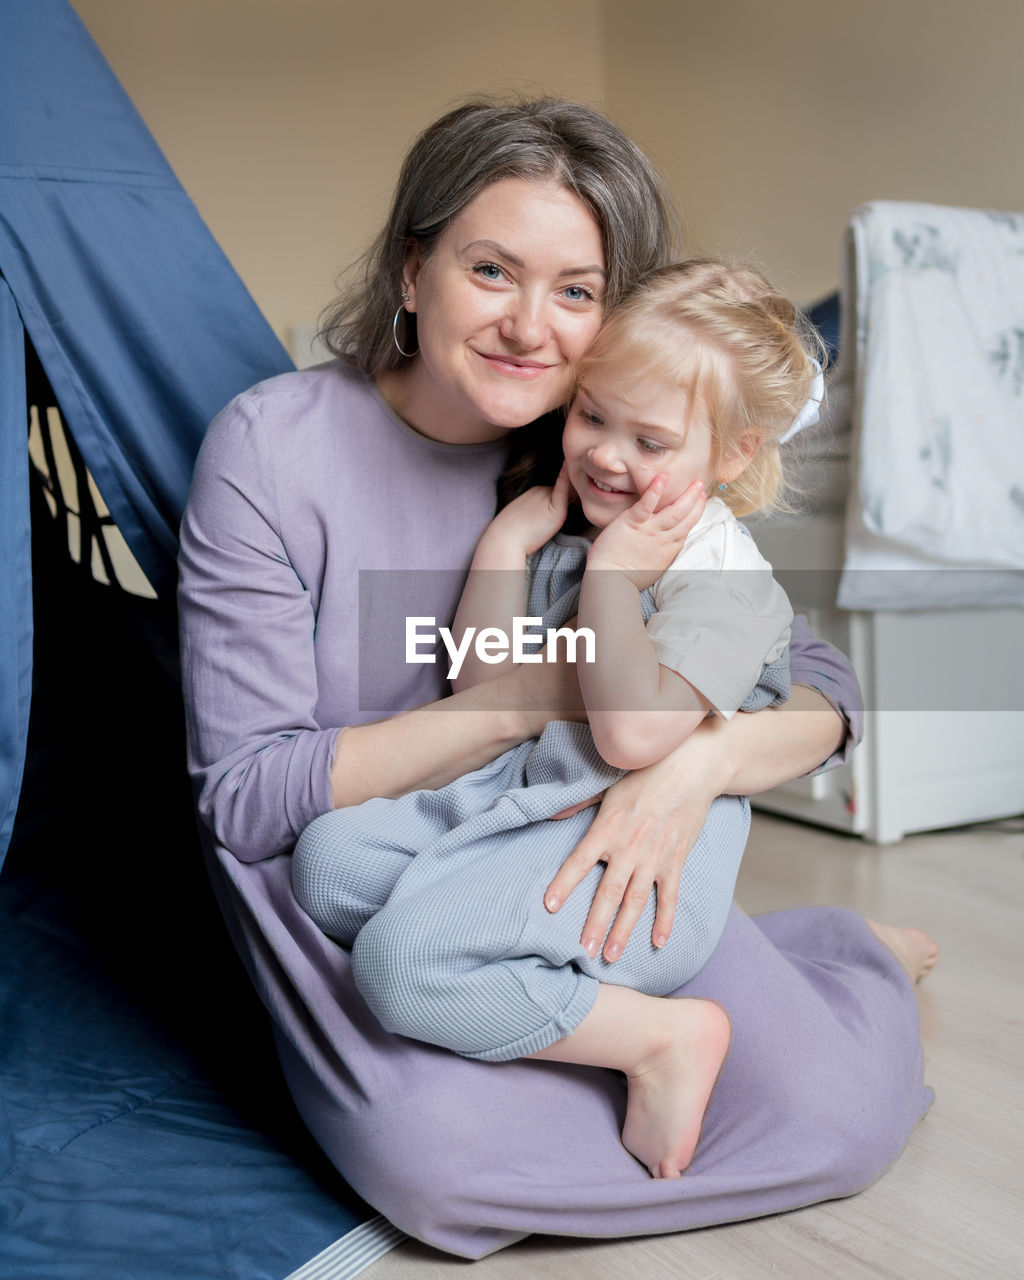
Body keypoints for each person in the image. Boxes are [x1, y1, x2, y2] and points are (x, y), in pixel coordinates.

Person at [178, 96, 938, 1257]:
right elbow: (243, 798)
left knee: (833, 1117)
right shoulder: (273, 452)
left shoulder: (608, 445)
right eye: (492, 269)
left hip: (587, 842)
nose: (532, 327)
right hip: (406, 846)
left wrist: (695, 768)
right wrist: (545, 691)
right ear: (412, 268)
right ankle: (720, 983)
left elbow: (815, 678)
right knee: (446, 1172)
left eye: (577, 291)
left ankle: (829, 962)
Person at [292, 258, 820, 1179]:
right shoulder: (580, 531)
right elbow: (481, 687)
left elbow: (631, 736)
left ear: (734, 454)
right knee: (326, 866)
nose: (606, 455)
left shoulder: (719, 577)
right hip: (520, 802)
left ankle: (659, 1039)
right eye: (593, 416)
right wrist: (507, 543)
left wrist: (613, 582)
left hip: (620, 854)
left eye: (650, 442)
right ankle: (502, 987)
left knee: (399, 967)